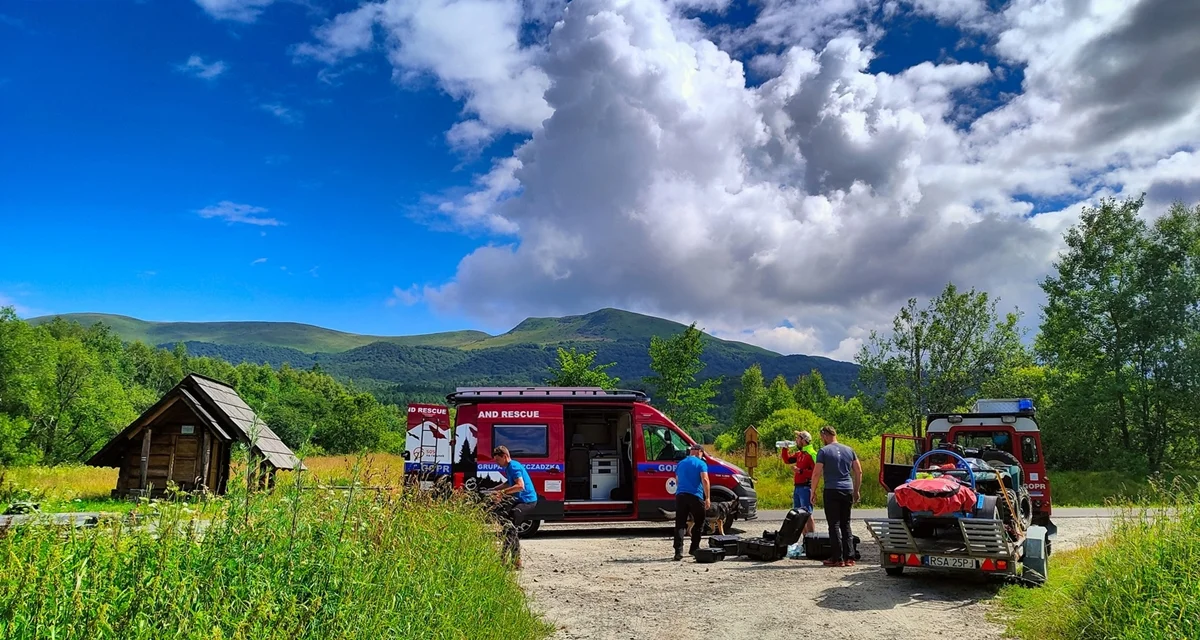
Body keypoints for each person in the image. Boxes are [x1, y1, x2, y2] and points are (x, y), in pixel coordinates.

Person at [810, 425, 862, 567]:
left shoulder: (823, 451)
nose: (822, 440)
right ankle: (850, 557)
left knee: (834, 524)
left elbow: (816, 473)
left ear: (825, 435)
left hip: (832, 489)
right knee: (846, 524)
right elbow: (859, 471)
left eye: (822, 437)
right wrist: (856, 490)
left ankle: (837, 558)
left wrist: (812, 491)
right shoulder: (849, 450)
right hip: (847, 489)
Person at [490, 445, 539, 570]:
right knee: (509, 528)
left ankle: (507, 559)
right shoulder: (509, 467)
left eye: (497, 460)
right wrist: (494, 489)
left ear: (505, 456)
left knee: (510, 526)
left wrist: (501, 493)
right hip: (520, 500)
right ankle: (514, 561)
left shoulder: (514, 467)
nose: (496, 463)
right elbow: (509, 483)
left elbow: (520, 486)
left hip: (528, 501)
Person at [672, 443, 710, 561]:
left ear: (690, 452)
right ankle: (694, 548)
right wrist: (707, 497)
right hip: (695, 496)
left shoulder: (680, 463)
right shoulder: (701, 463)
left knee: (680, 524)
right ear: (700, 452)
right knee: (699, 522)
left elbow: (677, 481)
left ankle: (678, 551)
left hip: (681, 496)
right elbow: (704, 479)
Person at [780, 430, 818, 535]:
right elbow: (787, 460)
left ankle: (812, 540)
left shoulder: (812, 453)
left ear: (803, 440)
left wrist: (801, 471)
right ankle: (806, 540)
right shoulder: (799, 453)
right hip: (797, 487)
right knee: (799, 516)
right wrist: (785, 448)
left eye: (798, 438)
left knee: (807, 514)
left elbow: (816, 472)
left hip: (806, 487)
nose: (796, 440)